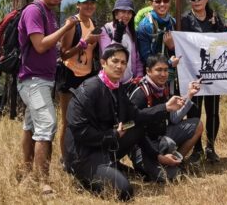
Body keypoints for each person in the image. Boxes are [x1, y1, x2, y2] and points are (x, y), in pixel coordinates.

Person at [64, 44, 186, 201]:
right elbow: (79, 131)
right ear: (103, 62)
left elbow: (137, 116)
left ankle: (117, 166)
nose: (119, 66)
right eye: (115, 61)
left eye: (123, 63)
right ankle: (81, 173)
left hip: (105, 147)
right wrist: (111, 135)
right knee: (125, 192)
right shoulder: (90, 89)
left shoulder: (118, 88)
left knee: (137, 126)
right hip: (84, 155)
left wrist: (166, 107)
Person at [18, 0, 79, 195]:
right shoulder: (34, 11)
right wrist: (65, 27)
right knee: (47, 125)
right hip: (33, 79)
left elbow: (56, 49)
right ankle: (43, 181)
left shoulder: (48, 13)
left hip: (43, 78)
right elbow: (41, 45)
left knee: (31, 125)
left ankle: (25, 174)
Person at [126, 55, 204, 181]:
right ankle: (154, 165)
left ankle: (177, 160)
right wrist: (156, 155)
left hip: (161, 137)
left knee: (197, 125)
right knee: (169, 177)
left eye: (166, 70)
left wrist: (189, 95)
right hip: (143, 145)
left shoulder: (164, 89)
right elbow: (131, 128)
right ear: (148, 71)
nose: (163, 74)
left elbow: (173, 119)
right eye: (158, 70)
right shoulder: (140, 93)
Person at [178, 0, 227, 162]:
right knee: (194, 112)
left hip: (213, 72)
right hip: (192, 72)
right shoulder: (184, 20)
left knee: (213, 111)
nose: (196, 0)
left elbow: (226, 38)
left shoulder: (215, 17)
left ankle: (211, 148)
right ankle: (197, 149)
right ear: (189, 1)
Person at [57, 0, 103, 160]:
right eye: (85, 3)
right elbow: (64, 54)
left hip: (87, 76)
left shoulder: (93, 23)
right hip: (69, 75)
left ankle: (80, 154)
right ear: (78, 5)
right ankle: (65, 158)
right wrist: (84, 43)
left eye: (92, 2)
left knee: (84, 119)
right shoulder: (72, 23)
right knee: (68, 121)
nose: (89, 6)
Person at [98, 0, 144, 82]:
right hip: (111, 82)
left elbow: (137, 58)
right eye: (123, 12)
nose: (126, 16)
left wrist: (139, 76)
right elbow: (107, 55)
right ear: (116, 14)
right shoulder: (106, 30)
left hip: (130, 81)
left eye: (129, 12)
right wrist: (117, 36)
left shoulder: (131, 32)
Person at [136, 0, 177, 66]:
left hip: (172, 73)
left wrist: (171, 47)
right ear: (151, 3)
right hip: (153, 74)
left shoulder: (173, 22)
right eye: (158, 1)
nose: (162, 4)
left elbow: (180, 52)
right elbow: (146, 57)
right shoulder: (145, 25)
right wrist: (168, 63)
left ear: (169, 2)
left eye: (166, 0)